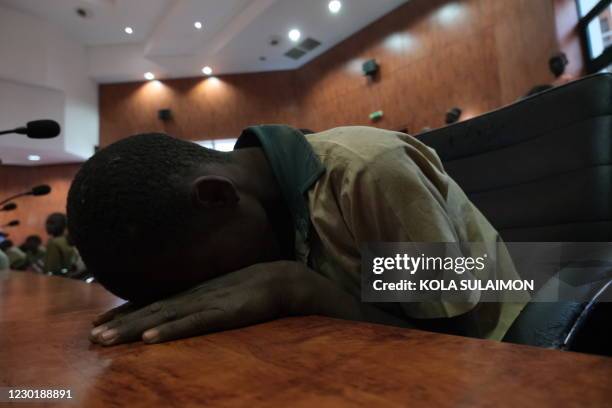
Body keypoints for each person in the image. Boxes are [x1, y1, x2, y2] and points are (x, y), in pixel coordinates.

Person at [68, 126, 525, 347]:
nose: (221, 291)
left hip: (513, 354)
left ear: (215, 197)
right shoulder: (266, 208)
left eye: (211, 276)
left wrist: (293, 288)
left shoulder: (365, 173)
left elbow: (456, 344)